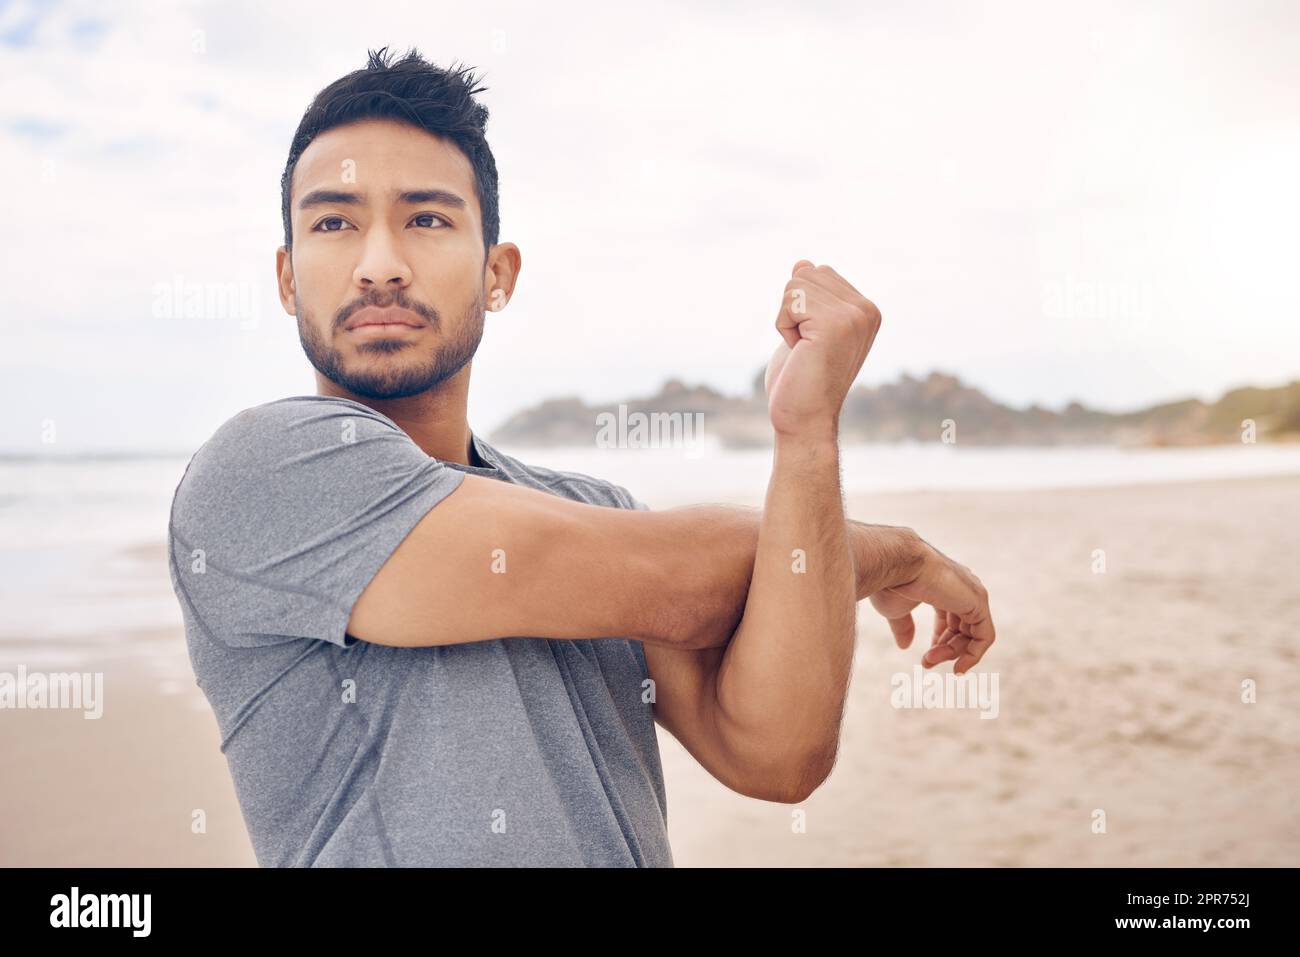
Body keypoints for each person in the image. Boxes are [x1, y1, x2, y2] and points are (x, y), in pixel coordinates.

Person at [167, 46, 995, 867]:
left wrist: (807, 438)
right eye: (334, 222)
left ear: (498, 273)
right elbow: (681, 581)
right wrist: (894, 554)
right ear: (285, 278)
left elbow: (777, 753)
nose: (380, 264)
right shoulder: (263, 471)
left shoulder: (595, 508)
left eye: (426, 218)